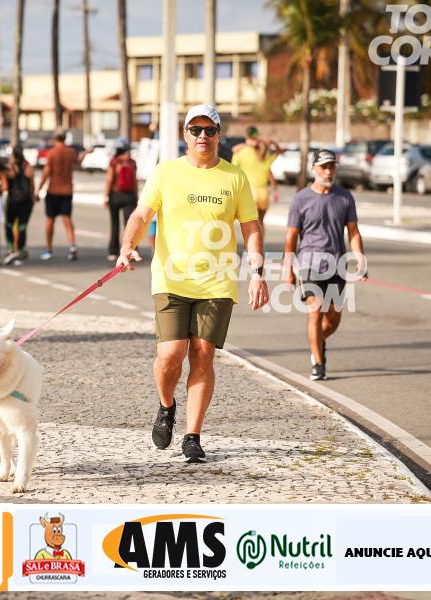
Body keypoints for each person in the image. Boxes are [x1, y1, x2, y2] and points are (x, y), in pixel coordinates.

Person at [117, 103, 269, 463]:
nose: (203, 136)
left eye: (209, 130)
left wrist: (257, 272)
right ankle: (166, 405)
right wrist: (127, 246)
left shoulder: (234, 177)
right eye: (196, 130)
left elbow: (251, 226)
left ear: (219, 135)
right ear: (185, 134)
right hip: (171, 278)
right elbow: (142, 214)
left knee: (203, 354)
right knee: (170, 355)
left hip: (217, 283)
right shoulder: (166, 172)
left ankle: (192, 435)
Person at [285, 149, 367, 381]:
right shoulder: (300, 199)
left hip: (337, 264)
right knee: (315, 311)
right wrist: (288, 268)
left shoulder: (344, 197)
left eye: (332, 167)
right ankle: (318, 364)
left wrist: (360, 257)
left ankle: (317, 343)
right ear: (314, 169)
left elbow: (353, 231)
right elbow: (291, 236)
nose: (328, 171)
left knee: (333, 318)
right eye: (323, 167)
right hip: (309, 264)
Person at [36, 131, 78, 260]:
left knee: (50, 219)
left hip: (53, 190)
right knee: (67, 219)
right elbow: (78, 162)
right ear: (65, 138)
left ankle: (49, 248)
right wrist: (86, 153)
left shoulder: (52, 153)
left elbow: (46, 172)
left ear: (55, 139)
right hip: (67, 191)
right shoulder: (71, 152)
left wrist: (38, 190)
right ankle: (72, 246)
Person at [232, 126, 279, 228]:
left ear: (246, 137)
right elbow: (270, 172)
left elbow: (233, 173)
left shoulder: (240, 151)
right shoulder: (263, 154)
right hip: (264, 193)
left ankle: (254, 239)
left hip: (250, 193)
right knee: (261, 222)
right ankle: (261, 239)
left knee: (252, 224)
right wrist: (275, 190)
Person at [104, 143, 139, 261]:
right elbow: (135, 181)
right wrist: (136, 196)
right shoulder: (132, 162)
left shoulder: (114, 162)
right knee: (129, 225)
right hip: (129, 196)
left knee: (115, 224)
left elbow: (109, 179)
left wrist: (105, 196)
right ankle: (132, 250)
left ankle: (113, 251)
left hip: (115, 195)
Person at [4, 146, 36, 265]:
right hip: (26, 202)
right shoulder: (28, 167)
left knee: (9, 225)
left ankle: (10, 249)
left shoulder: (10, 168)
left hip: (13, 201)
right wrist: (33, 198)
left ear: (14, 156)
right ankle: (21, 250)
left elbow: (5, 183)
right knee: (22, 227)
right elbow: (32, 186)